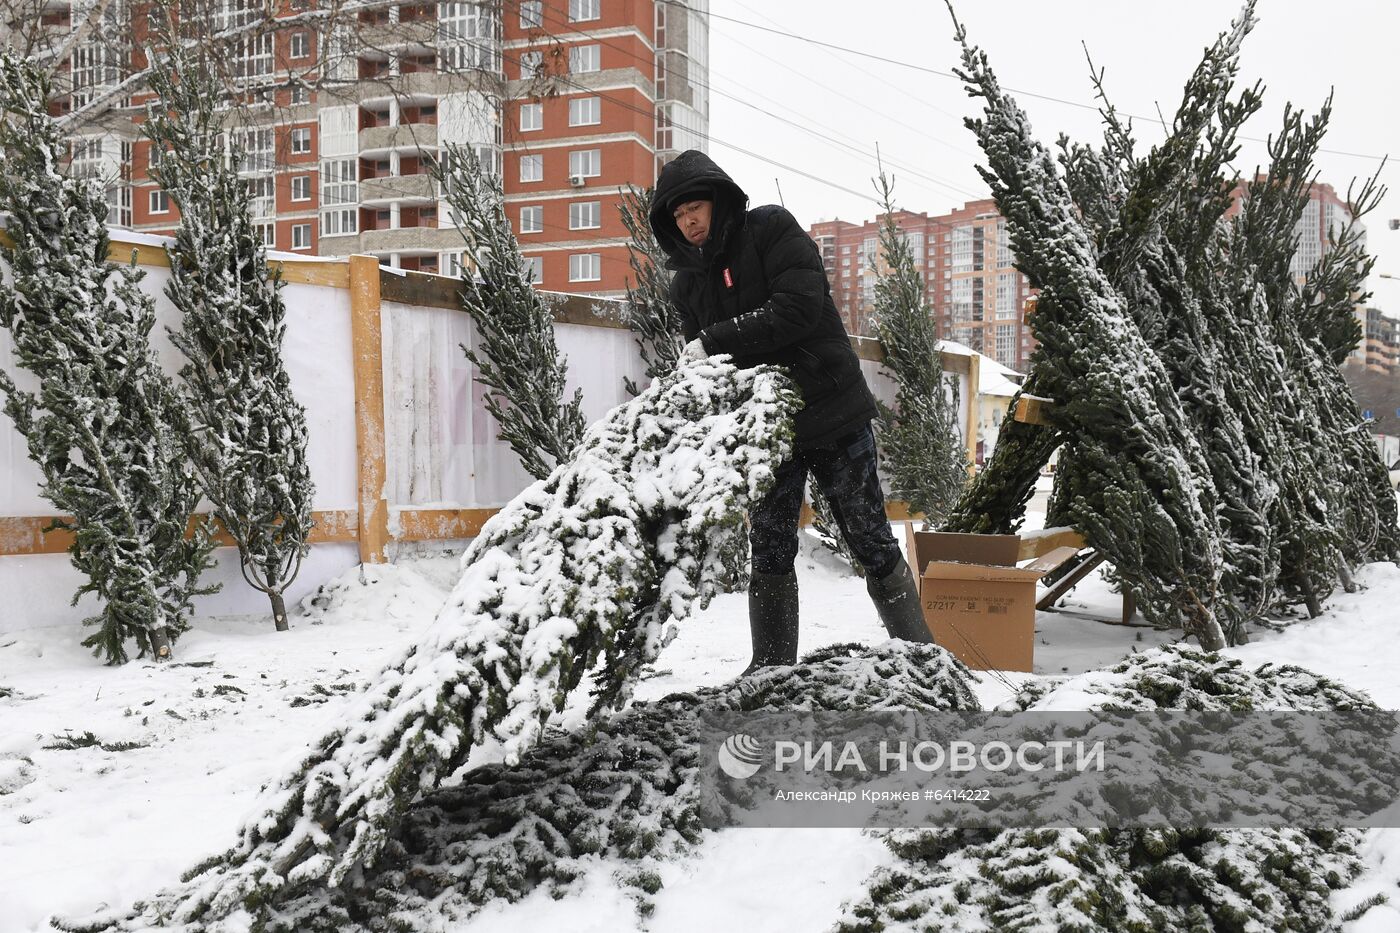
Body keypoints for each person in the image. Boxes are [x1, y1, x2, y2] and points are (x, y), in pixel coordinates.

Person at [648, 149, 933, 675]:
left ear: (717, 199)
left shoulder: (771, 229)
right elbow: (712, 367)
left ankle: (921, 658)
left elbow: (798, 309)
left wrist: (716, 339)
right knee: (770, 545)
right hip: (768, 433)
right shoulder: (686, 285)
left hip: (832, 411)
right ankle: (772, 669)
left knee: (867, 535)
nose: (689, 220)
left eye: (695, 207)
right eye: (677, 215)